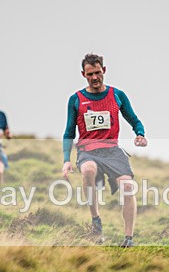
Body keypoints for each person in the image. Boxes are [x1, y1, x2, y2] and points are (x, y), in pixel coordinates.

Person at [62, 53, 147, 247]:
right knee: (88, 170)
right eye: (90, 74)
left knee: (128, 187)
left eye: (97, 73)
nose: (94, 77)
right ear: (83, 74)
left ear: (104, 71)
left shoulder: (117, 95)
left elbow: (135, 120)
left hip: (112, 150)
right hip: (88, 150)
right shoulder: (76, 99)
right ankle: (96, 220)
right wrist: (66, 160)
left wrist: (140, 134)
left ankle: (128, 239)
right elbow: (68, 132)